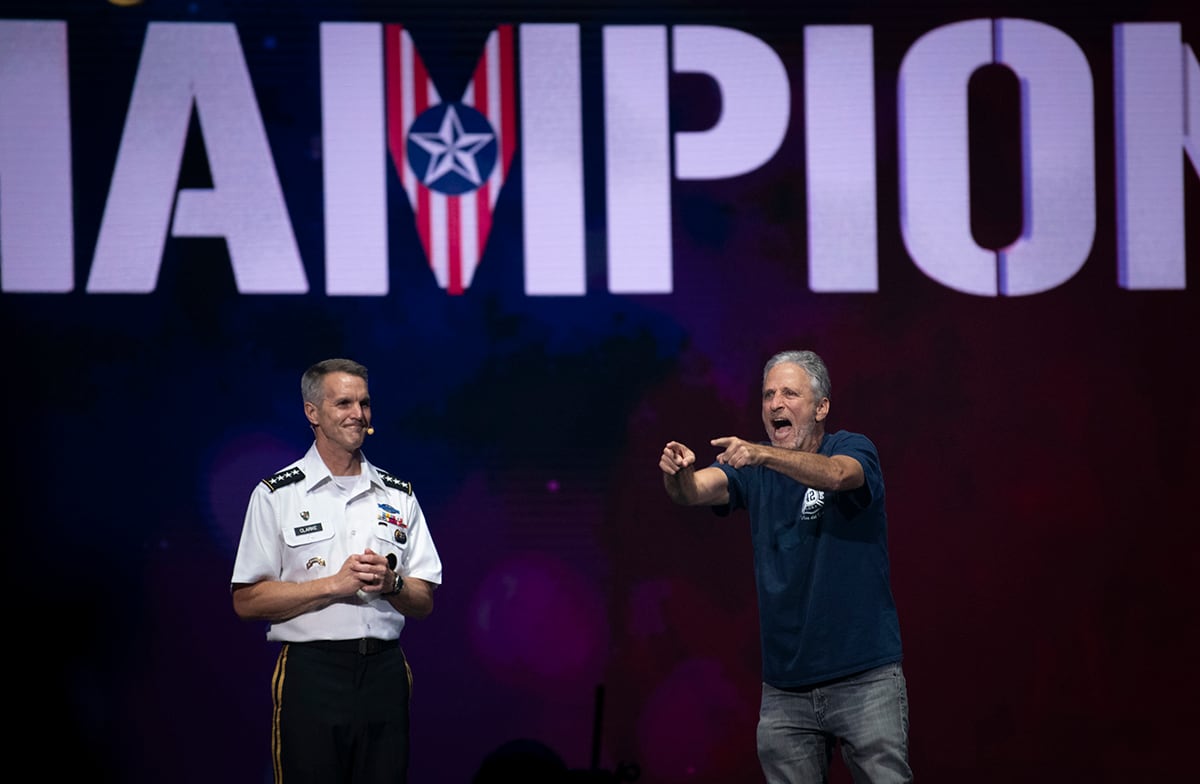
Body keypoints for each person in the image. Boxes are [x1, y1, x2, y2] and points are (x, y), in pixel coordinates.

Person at [658, 350, 910, 783]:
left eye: (790, 393)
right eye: (768, 394)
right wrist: (678, 473)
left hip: (864, 678)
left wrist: (761, 456)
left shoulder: (851, 448)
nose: (776, 403)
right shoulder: (752, 469)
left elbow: (835, 476)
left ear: (821, 406)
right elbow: (693, 491)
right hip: (785, 689)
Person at [231, 357, 443, 784]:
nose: (358, 414)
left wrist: (391, 582)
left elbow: (423, 602)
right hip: (313, 673)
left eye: (364, 403)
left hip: (384, 671)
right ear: (313, 413)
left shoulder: (398, 495)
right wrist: (333, 585)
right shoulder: (276, 495)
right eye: (343, 403)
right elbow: (246, 601)